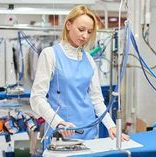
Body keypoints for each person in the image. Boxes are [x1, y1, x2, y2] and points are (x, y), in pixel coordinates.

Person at [30, 5, 129, 148]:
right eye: (81, 30)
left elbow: (96, 100)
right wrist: (57, 122)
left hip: (89, 131)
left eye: (89, 32)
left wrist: (111, 126)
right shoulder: (50, 54)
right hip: (62, 132)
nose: (85, 36)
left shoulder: (88, 59)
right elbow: (36, 98)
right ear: (68, 25)